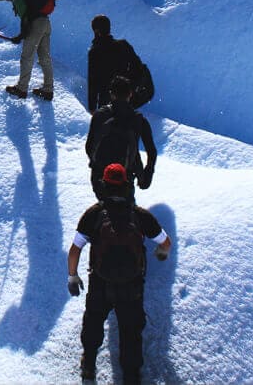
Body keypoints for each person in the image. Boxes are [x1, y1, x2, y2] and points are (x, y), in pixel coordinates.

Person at [67, 163, 172, 385]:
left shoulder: (94, 214)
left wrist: (73, 276)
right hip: (131, 286)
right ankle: (131, 377)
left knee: (94, 322)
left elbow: (75, 249)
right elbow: (165, 243)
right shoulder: (140, 215)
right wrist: (160, 255)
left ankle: (89, 364)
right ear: (126, 184)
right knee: (130, 331)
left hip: (100, 283)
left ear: (104, 184)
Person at [85, 76, 156, 199]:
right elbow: (152, 151)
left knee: (104, 209)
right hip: (125, 178)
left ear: (111, 94)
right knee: (125, 210)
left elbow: (89, 146)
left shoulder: (100, 115)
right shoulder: (138, 119)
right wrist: (146, 176)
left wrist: (97, 165)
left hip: (100, 178)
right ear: (130, 94)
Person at [0, 0, 54, 100]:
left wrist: (20, 36)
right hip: (46, 22)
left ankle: (21, 88)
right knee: (45, 57)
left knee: (27, 56)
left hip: (36, 25)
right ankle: (48, 90)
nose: (6, 0)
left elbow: (26, 17)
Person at [87, 15, 151, 113]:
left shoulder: (95, 52)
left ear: (96, 31)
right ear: (109, 28)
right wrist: (130, 87)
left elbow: (93, 82)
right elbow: (138, 67)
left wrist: (92, 107)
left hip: (106, 104)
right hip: (126, 100)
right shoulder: (123, 45)